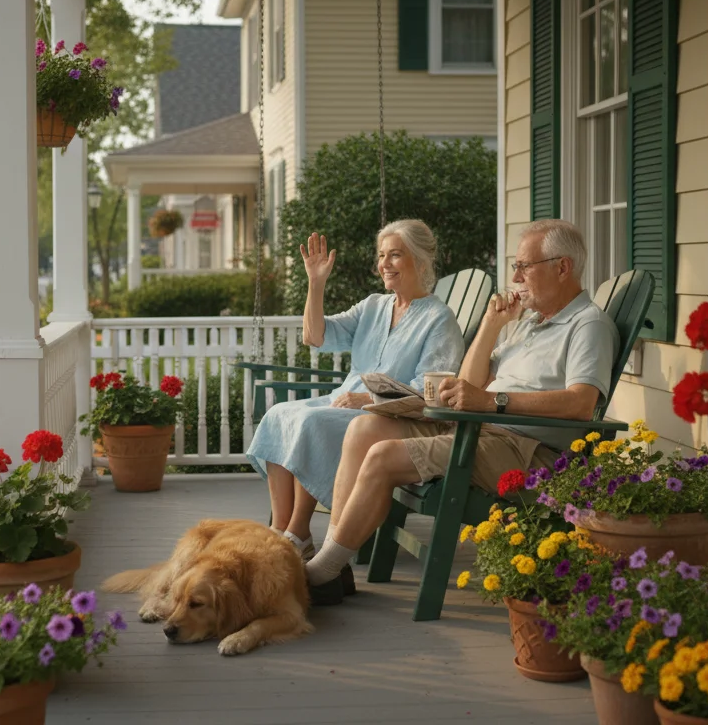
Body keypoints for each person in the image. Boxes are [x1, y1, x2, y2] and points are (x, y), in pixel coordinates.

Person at [303, 219, 619, 602]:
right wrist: (491, 325)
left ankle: (321, 572)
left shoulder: (589, 325)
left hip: (527, 450)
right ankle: (335, 565)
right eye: (515, 267)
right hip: (482, 430)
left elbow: (581, 403)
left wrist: (493, 402)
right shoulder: (529, 324)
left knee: (384, 458)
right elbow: (470, 383)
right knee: (365, 429)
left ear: (562, 267)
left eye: (524, 266)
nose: (515, 276)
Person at [246, 220, 464, 565]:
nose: (384, 264)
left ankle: (298, 530)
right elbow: (316, 336)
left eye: (395, 255)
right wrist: (315, 284)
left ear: (420, 262)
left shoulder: (439, 319)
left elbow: (430, 388)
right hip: (344, 399)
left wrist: (368, 399)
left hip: (386, 416)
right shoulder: (374, 305)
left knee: (312, 423)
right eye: (381, 256)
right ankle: (284, 533)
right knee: (278, 415)